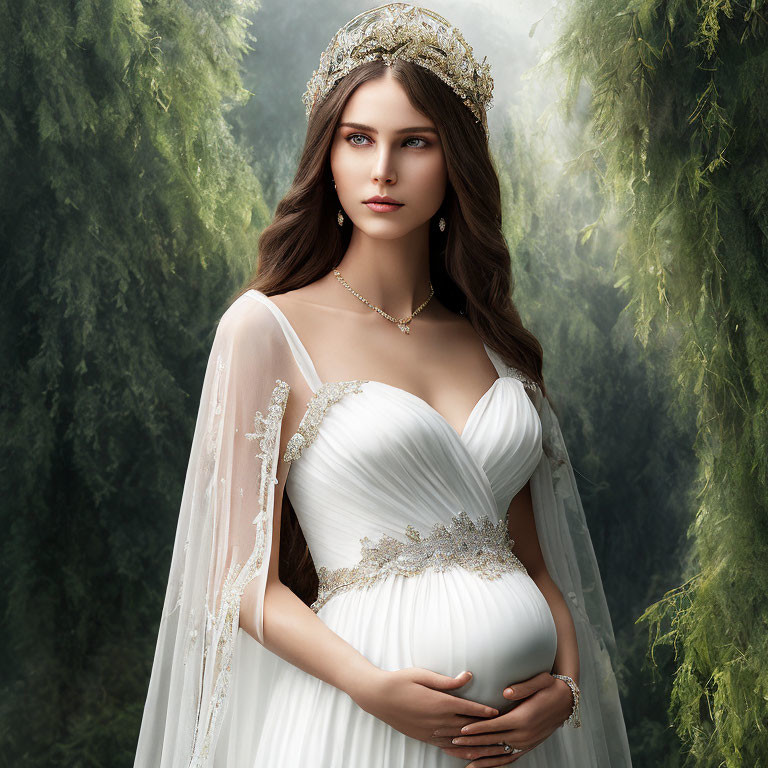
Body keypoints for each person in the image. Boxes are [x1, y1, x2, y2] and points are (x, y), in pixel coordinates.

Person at [133, 3, 633, 766]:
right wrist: (371, 688)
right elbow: (236, 581)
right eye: (358, 138)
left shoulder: (493, 343)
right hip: (356, 726)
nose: (382, 171)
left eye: (415, 144)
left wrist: (565, 689)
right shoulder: (267, 329)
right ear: (326, 154)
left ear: (455, 161)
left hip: (519, 744)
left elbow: (534, 565)